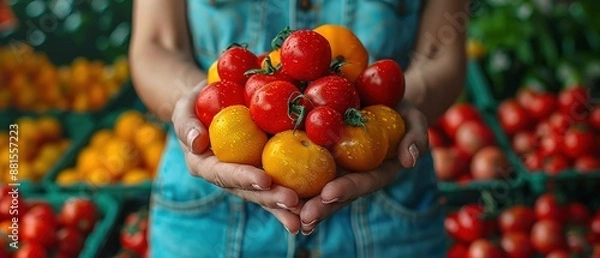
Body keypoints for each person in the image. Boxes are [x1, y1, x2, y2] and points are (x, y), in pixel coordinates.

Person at [129, 0, 468, 257]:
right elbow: (156, 46)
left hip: (393, 227)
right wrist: (196, 103)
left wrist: (401, 107)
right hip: (205, 225)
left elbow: (441, 54)